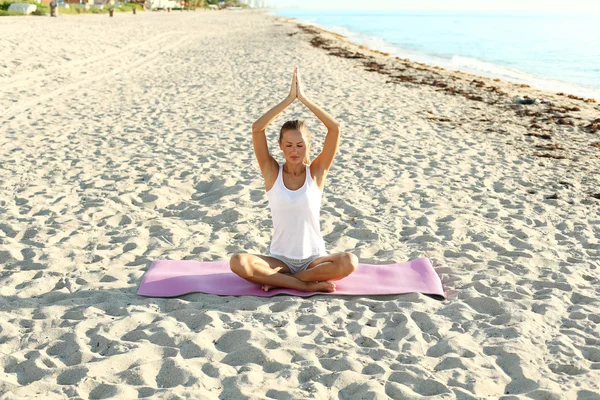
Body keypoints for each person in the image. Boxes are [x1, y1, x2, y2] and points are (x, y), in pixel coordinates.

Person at [230, 67, 358, 293]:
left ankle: (288, 281)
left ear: (308, 145)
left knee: (350, 261)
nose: (294, 150)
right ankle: (305, 285)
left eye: (300, 145)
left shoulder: (316, 173)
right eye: (288, 145)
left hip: (315, 260)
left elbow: (334, 128)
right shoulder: (272, 172)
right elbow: (257, 128)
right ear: (280, 146)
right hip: (279, 261)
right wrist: (289, 99)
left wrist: (304, 99)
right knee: (238, 262)